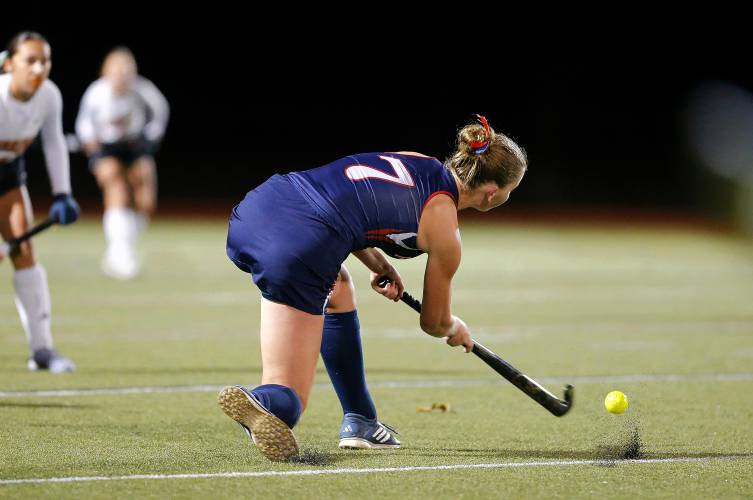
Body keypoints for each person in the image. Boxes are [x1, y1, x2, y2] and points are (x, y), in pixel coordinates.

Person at [219, 115, 527, 461]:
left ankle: (361, 420)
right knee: (288, 403)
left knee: (338, 287)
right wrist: (455, 327)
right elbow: (433, 322)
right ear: (490, 194)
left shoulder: (418, 161)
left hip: (262, 205)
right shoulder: (446, 231)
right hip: (302, 243)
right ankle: (266, 400)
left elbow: (347, 199)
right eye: (510, 191)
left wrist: (379, 265)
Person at [0, 32, 80, 373]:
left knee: (25, 252)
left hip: (8, 175)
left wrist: (63, 192)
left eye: (44, 60)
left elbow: (53, 143)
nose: (38, 67)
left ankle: (42, 350)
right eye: (29, 60)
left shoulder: (48, 95)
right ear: (8, 64)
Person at [75, 47, 169, 279]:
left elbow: (160, 112)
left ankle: (120, 249)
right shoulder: (96, 93)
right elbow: (84, 126)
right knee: (116, 188)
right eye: (117, 70)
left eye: (127, 70)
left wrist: (149, 139)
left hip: (135, 146)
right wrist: (95, 153)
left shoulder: (142, 89)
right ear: (105, 72)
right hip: (108, 147)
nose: (122, 75)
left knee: (146, 201)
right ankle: (120, 254)